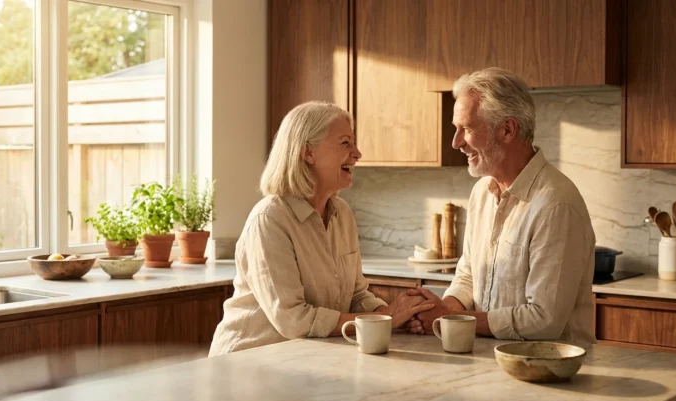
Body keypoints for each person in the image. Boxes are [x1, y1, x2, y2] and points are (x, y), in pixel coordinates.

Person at [209, 101, 433, 356]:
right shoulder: (270, 219)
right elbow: (293, 319)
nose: (357, 153)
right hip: (246, 364)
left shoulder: (342, 214)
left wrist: (397, 316)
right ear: (308, 153)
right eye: (345, 143)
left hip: (301, 359)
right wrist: (387, 317)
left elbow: (357, 296)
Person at [407, 68, 596, 347]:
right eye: (456, 129)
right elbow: (468, 275)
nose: (456, 142)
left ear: (507, 129)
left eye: (467, 129)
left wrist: (452, 319)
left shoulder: (556, 204)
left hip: (550, 373)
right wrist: (445, 308)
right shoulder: (481, 192)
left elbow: (544, 319)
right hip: (490, 363)